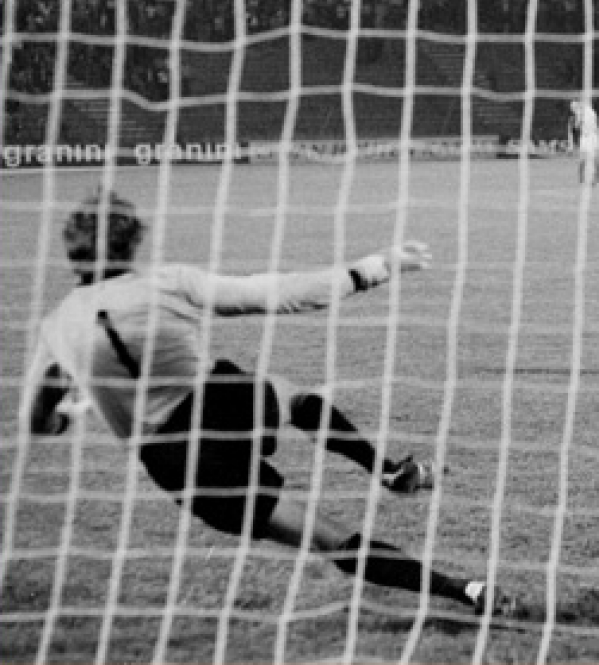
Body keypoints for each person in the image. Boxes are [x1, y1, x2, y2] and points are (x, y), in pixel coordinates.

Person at [22, 189, 518, 618]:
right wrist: (375, 267)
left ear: (72, 252)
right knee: (299, 402)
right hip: (220, 403)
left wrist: (64, 418)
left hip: (177, 460)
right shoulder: (167, 282)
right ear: (132, 241)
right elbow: (275, 292)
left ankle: (467, 591)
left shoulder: (57, 328)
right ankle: (385, 470)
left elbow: (36, 421)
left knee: (329, 539)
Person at [568, 98, 599, 186]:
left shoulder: (589, 112)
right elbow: (576, 127)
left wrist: (598, 141)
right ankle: (582, 180)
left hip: (592, 137)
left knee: (594, 159)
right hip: (584, 137)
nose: (573, 109)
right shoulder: (579, 113)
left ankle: (597, 180)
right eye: (572, 107)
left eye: (574, 106)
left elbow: (595, 127)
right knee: (582, 159)